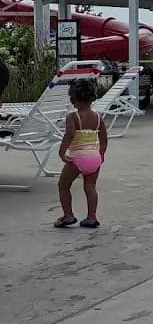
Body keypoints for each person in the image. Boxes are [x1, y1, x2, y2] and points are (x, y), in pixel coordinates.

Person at [54, 79, 108, 229]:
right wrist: (101, 154)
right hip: (94, 158)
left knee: (63, 185)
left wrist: (62, 152)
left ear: (73, 100)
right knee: (90, 187)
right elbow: (103, 138)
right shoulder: (98, 118)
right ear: (92, 98)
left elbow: (69, 135)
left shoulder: (73, 117)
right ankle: (92, 217)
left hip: (78, 158)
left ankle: (68, 216)